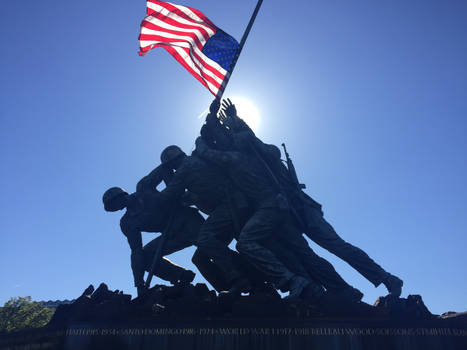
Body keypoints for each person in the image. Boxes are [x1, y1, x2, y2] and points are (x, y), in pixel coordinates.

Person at [102, 164, 225, 296]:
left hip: (187, 221)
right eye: (111, 207)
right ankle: (181, 275)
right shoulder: (127, 223)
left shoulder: (143, 188)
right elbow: (136, 252)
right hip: (173, 234)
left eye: (112, 204)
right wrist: (139, 282)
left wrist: (175, 192)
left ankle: (235, 280)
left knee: (210, 249)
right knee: (146, 256)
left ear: (119, 196)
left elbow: (164, 168)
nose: (113, 208)